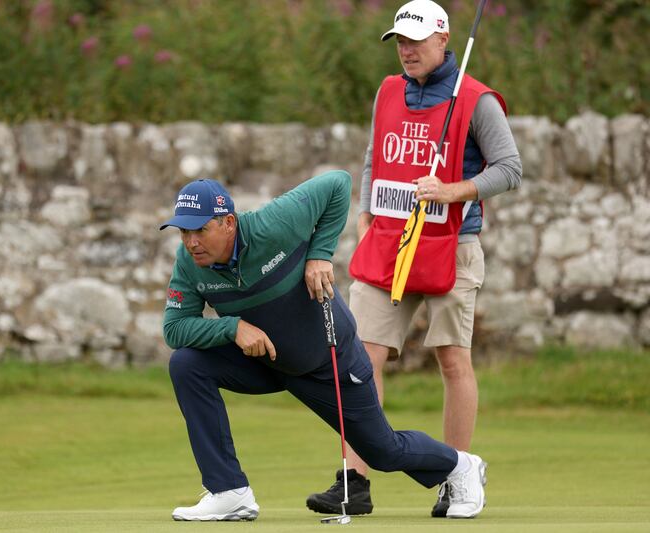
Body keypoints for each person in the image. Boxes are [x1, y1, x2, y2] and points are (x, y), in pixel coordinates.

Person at [161, 171, 488, 522]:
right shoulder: (190, 265)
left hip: (327, 359)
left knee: (383, 451)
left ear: (228, 222)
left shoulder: (274, 224)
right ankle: (229, 492)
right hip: (264, 362)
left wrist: (320, 254)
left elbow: (337, 183)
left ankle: (461, 465)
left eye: (200, 230)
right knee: (187, 365)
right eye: (184, 232)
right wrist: (232, 327)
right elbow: (175, 328)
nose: (191, 241)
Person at [306, 0, 522, 519]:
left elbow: (510, 169)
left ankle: (457, 475)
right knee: (361, 359)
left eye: (416, 40)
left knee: (452, 359)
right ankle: (353, 481)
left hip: (453, 243)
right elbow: (374, 154)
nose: (406, 50)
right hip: (387, 239)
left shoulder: (475, 99)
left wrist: (454, 190)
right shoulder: (388, 91)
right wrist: (364, 209)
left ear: (444, 39)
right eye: (399, 41)